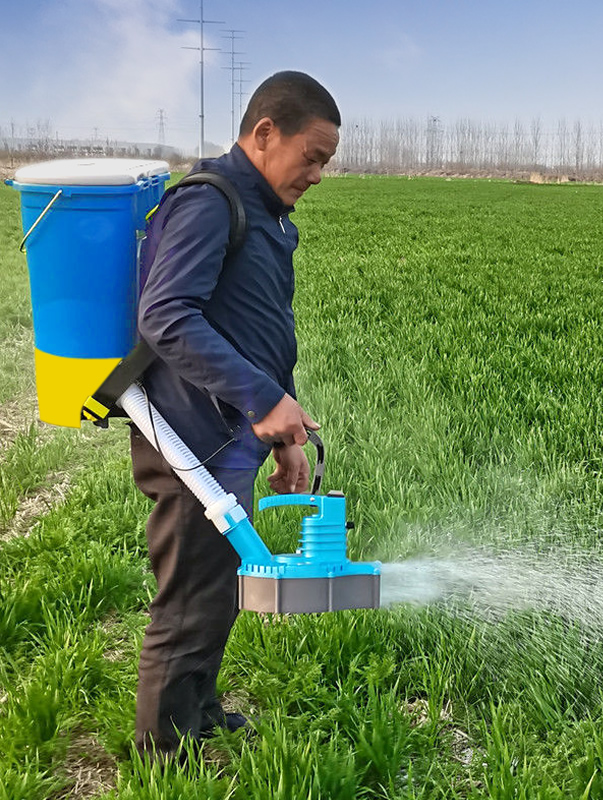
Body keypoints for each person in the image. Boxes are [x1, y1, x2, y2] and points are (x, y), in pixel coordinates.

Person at [129, 71, 340, 758]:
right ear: (264, 134)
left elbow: (256, 330)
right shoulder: (211, 203)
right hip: (189, 437)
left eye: (326, 163)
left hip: (227, 438)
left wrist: (281, 437)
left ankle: (199, 708)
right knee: (189, 592)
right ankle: (162, 751)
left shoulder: (264, 216)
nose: (317, 174)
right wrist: (262, 399)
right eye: (312, 156)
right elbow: (166, 316)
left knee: (216, 585)